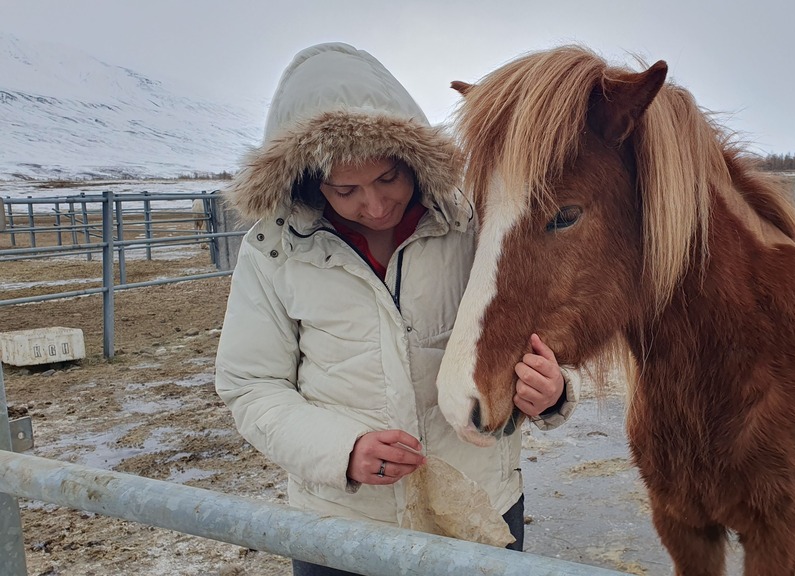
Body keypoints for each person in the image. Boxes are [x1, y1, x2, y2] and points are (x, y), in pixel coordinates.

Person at [214, 42, 576, 576]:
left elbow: (543, 332)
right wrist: (343, 451)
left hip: (477, 511)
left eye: (389, 178)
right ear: (311, 182)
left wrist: (554, 391)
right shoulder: (274, 252)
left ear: (414, 160)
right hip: (341, 526)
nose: (376, 205)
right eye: (347, 189)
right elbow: (250, 385)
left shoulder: (474, 228)